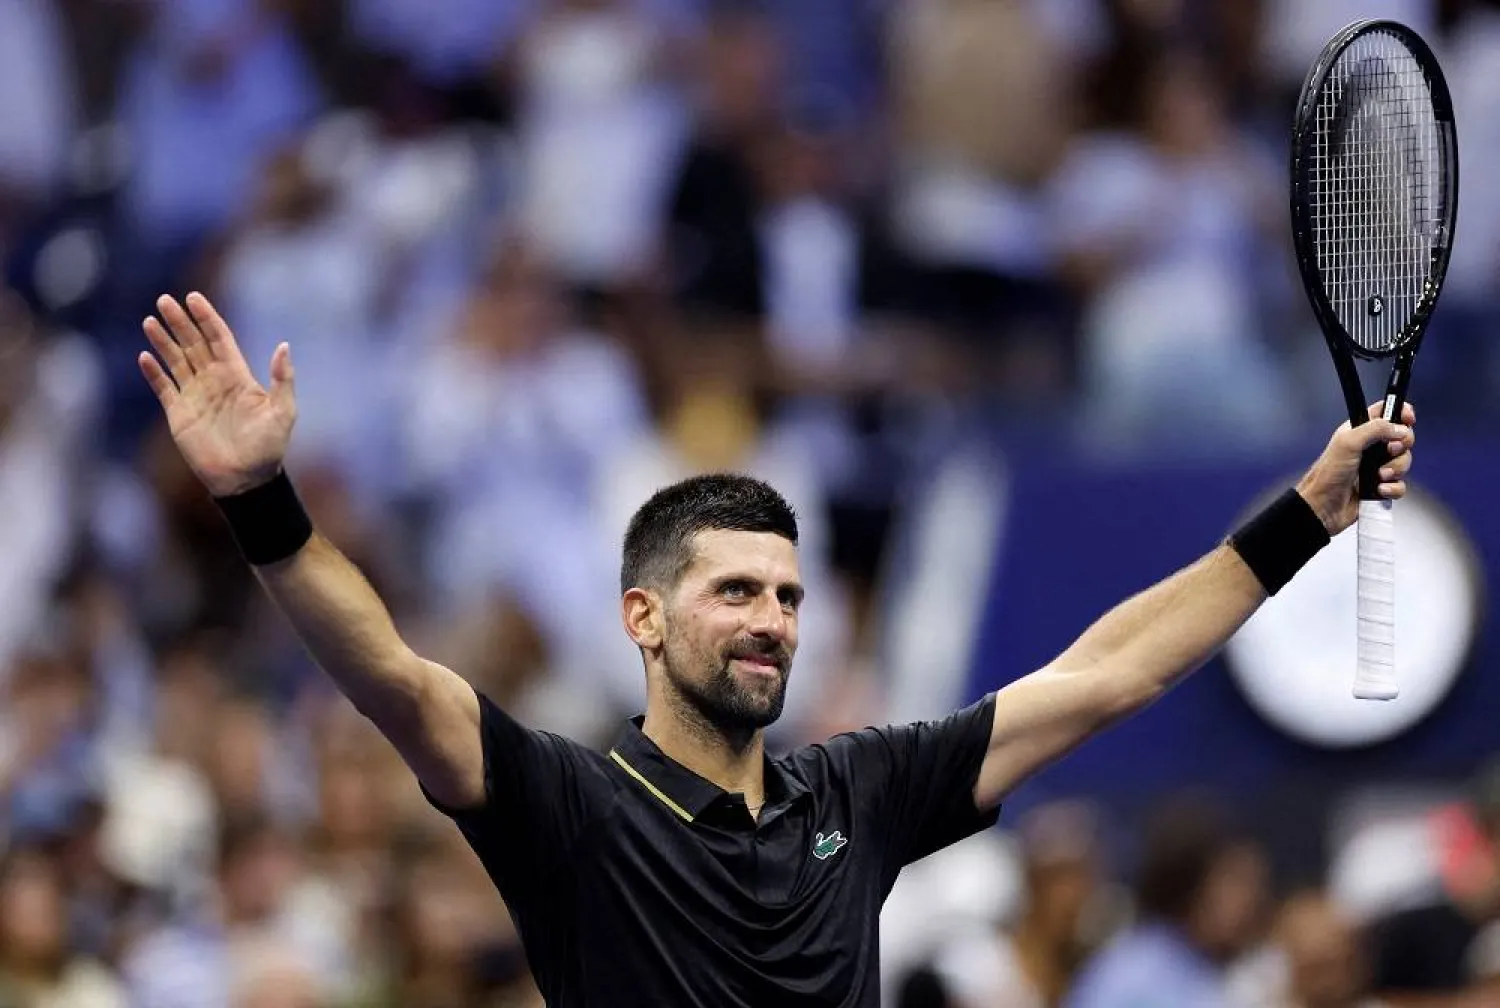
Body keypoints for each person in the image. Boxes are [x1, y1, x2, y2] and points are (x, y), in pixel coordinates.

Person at [134, 292, 1417, 1006]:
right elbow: (392, 679)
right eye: (738, 591)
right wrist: (259, 499)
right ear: (643, 617)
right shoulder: (569, 804)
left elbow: (1108, 673)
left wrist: (1308, 511)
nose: (773, 622)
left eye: (792, 599)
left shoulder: (854, 792)